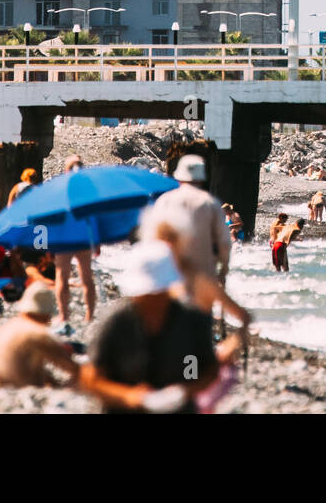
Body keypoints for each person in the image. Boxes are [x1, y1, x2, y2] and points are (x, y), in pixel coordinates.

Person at [82, 241, 218, 413]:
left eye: (158, 293)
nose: (153, 300)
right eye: (147, 294)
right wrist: (128, 396)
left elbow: (209, 370)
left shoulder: (192, 320)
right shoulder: (116, 321)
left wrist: (184, 391)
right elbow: (91, 377)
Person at [139, 205, 253, 364]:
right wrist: (226, 351)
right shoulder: (199, 279)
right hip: (187, 357)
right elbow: (245, 317)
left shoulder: (146, 278)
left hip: (157, 362)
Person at [0, 284, 81, 388]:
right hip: (13, 394)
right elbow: (73, 368)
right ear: (47, 315)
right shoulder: (37, 332)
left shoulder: (8, 327)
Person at [153, 154, 231, 284]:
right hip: (204, 275)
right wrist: (224, 270)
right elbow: (224, 242)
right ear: (201, 179)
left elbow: (153, 239)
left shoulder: (164, 201)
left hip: (172, 275)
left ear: (178, 178)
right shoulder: (211, 203)